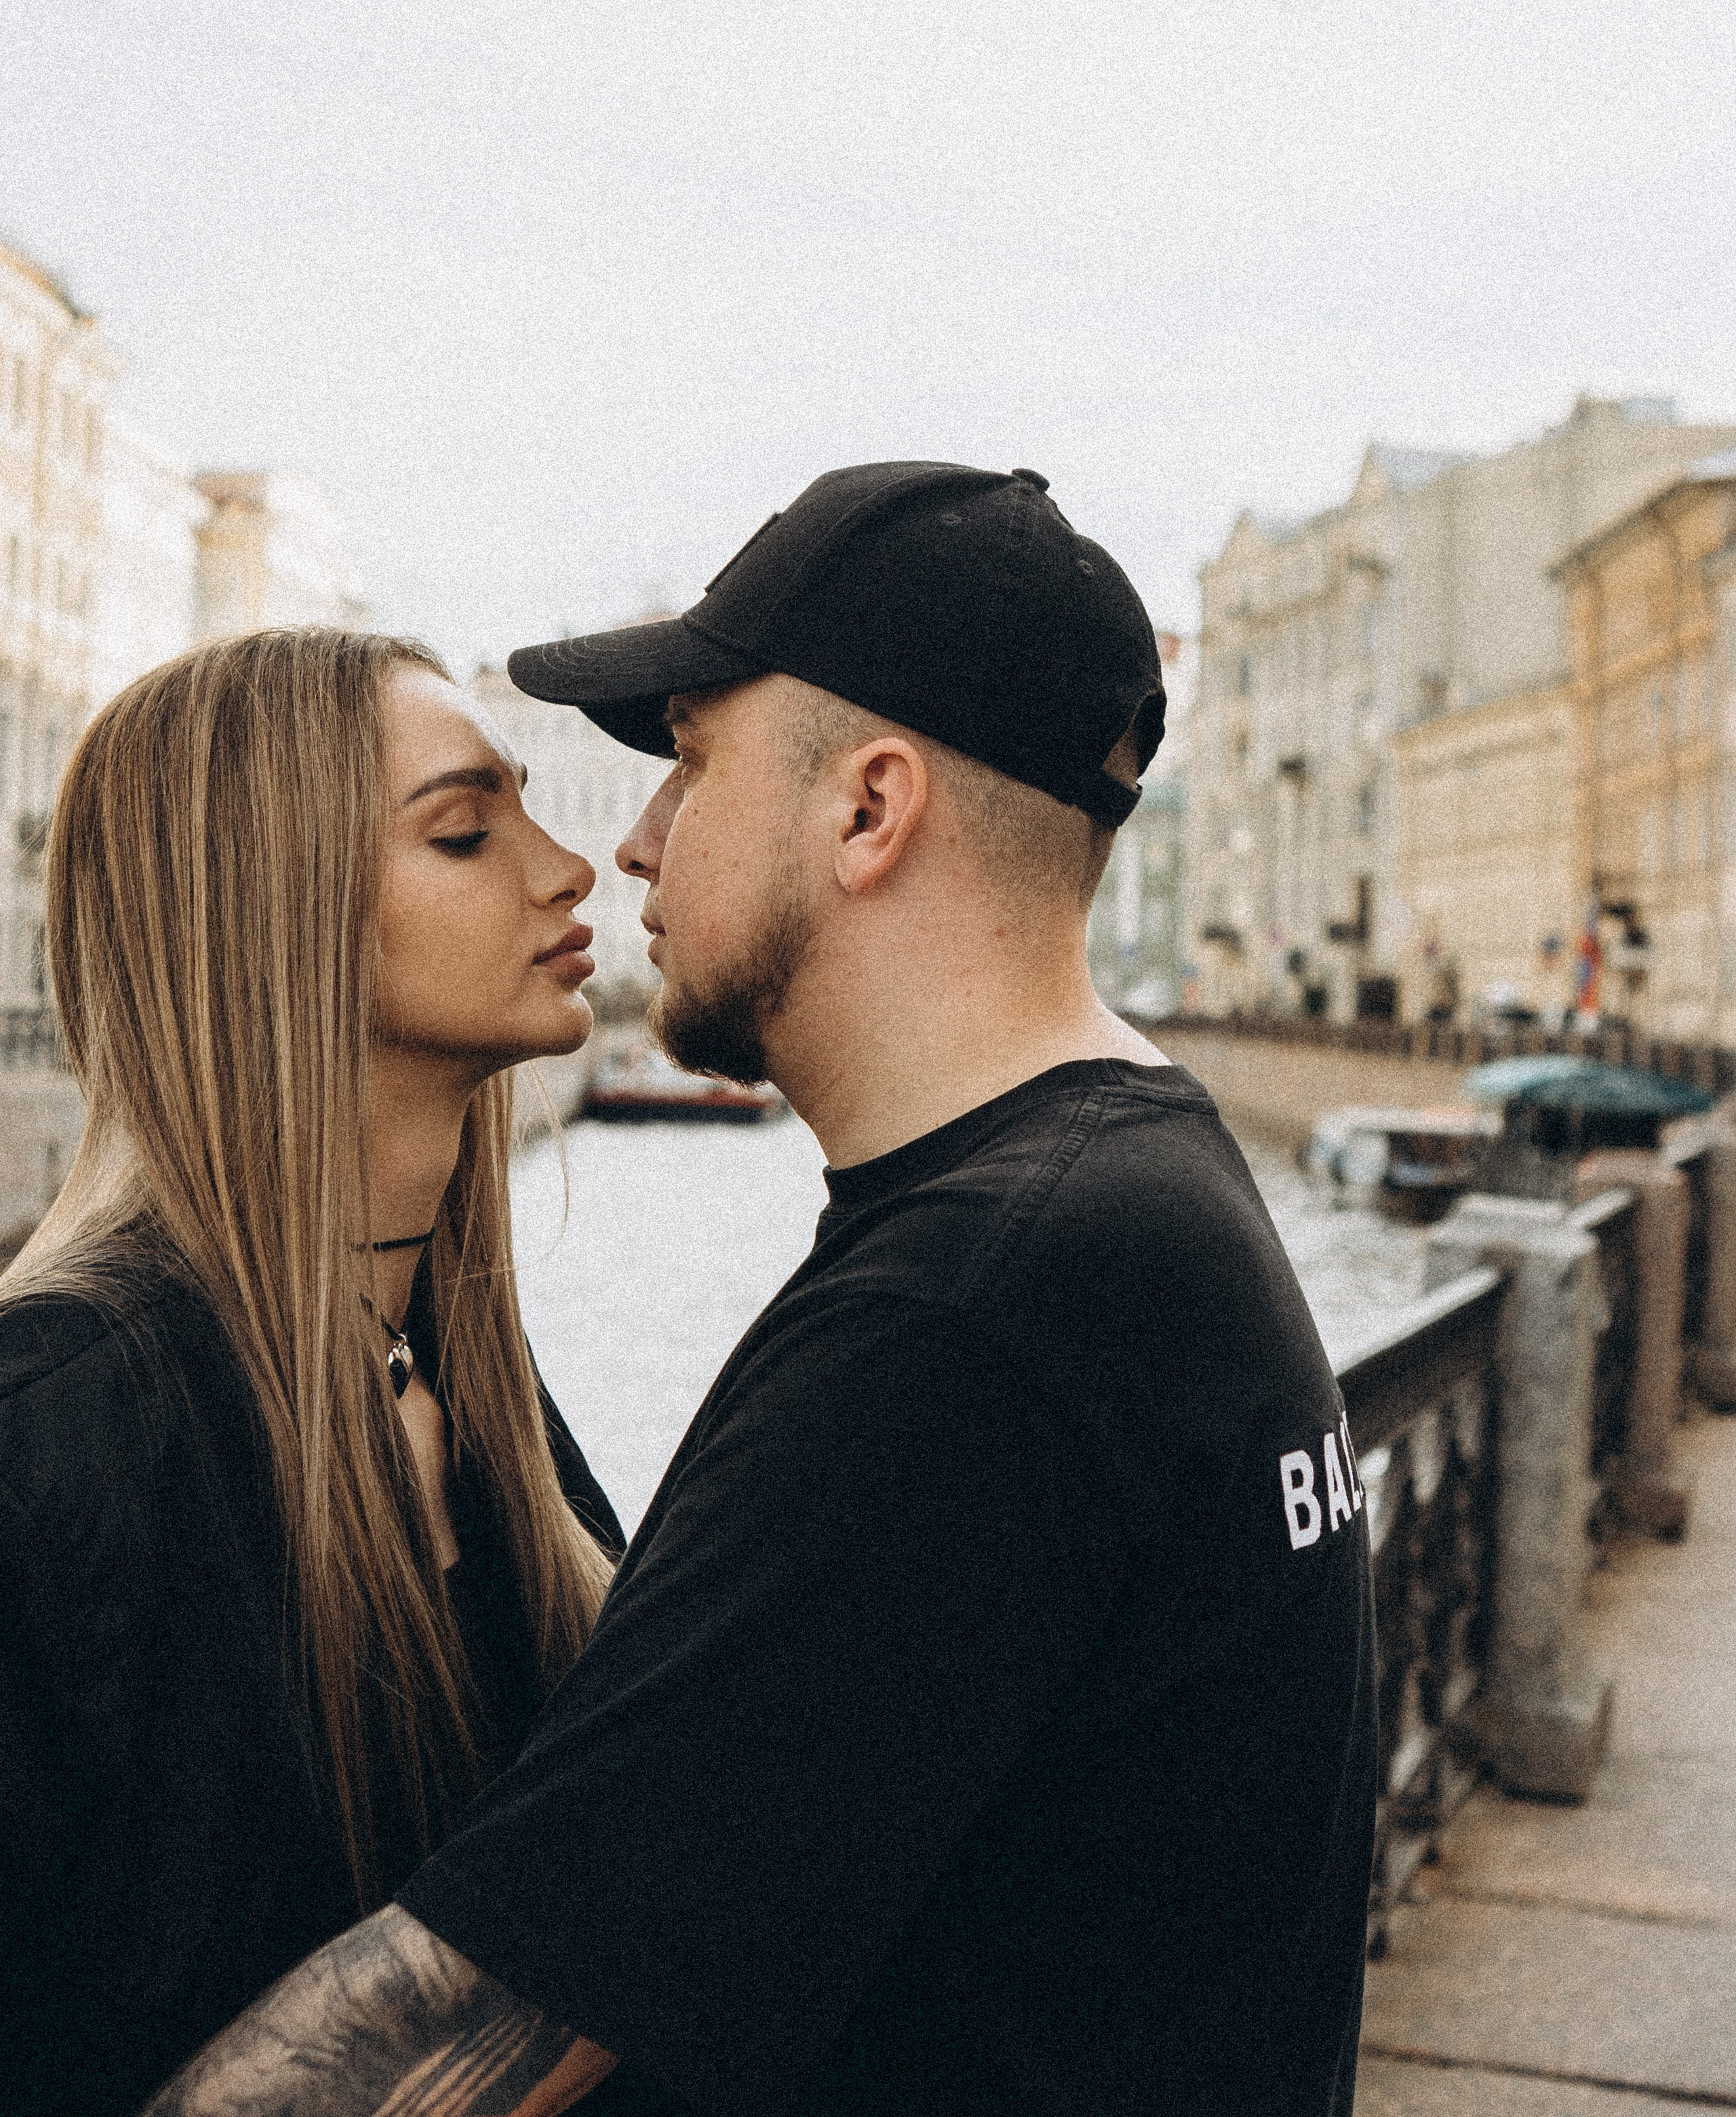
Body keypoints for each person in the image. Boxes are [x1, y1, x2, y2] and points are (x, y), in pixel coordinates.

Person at [143, 463, 1378, 2117]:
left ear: (867, 810)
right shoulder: (1131, 1187)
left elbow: (472, 2016)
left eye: (692, 764)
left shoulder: (973, 1315)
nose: (630, 843)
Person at [0, 628, 625, 2116]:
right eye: (468, 832)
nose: (567, 871)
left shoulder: (468, 1386)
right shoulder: (57, 1424)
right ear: (272, 917)